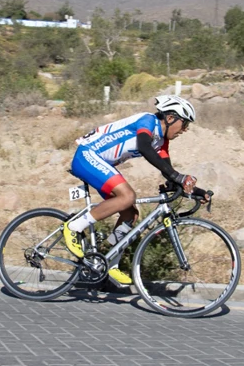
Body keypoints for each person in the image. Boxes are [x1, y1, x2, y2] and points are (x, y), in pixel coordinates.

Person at [62, 95, 205, 286]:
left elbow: (170, 174)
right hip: (88, 155)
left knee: (130, 213)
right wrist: (176, 177)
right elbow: (144, 147)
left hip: (100, 162)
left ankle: (110, 264)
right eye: (185, 124)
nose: (185, 130)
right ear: (170, 118)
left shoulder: (162, 140)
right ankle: (73, 227)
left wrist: (196, 190)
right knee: (128, 196)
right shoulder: (147, 121)